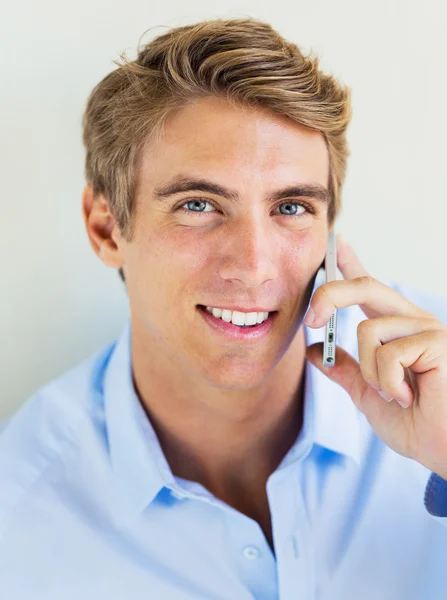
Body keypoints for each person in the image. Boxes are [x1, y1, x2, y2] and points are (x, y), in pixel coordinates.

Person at [1, 17, 447, 600]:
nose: (255, 265)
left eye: (291, 207)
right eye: (198, 204)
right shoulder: (20, 517)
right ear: (107, 228)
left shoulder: (439, 385)